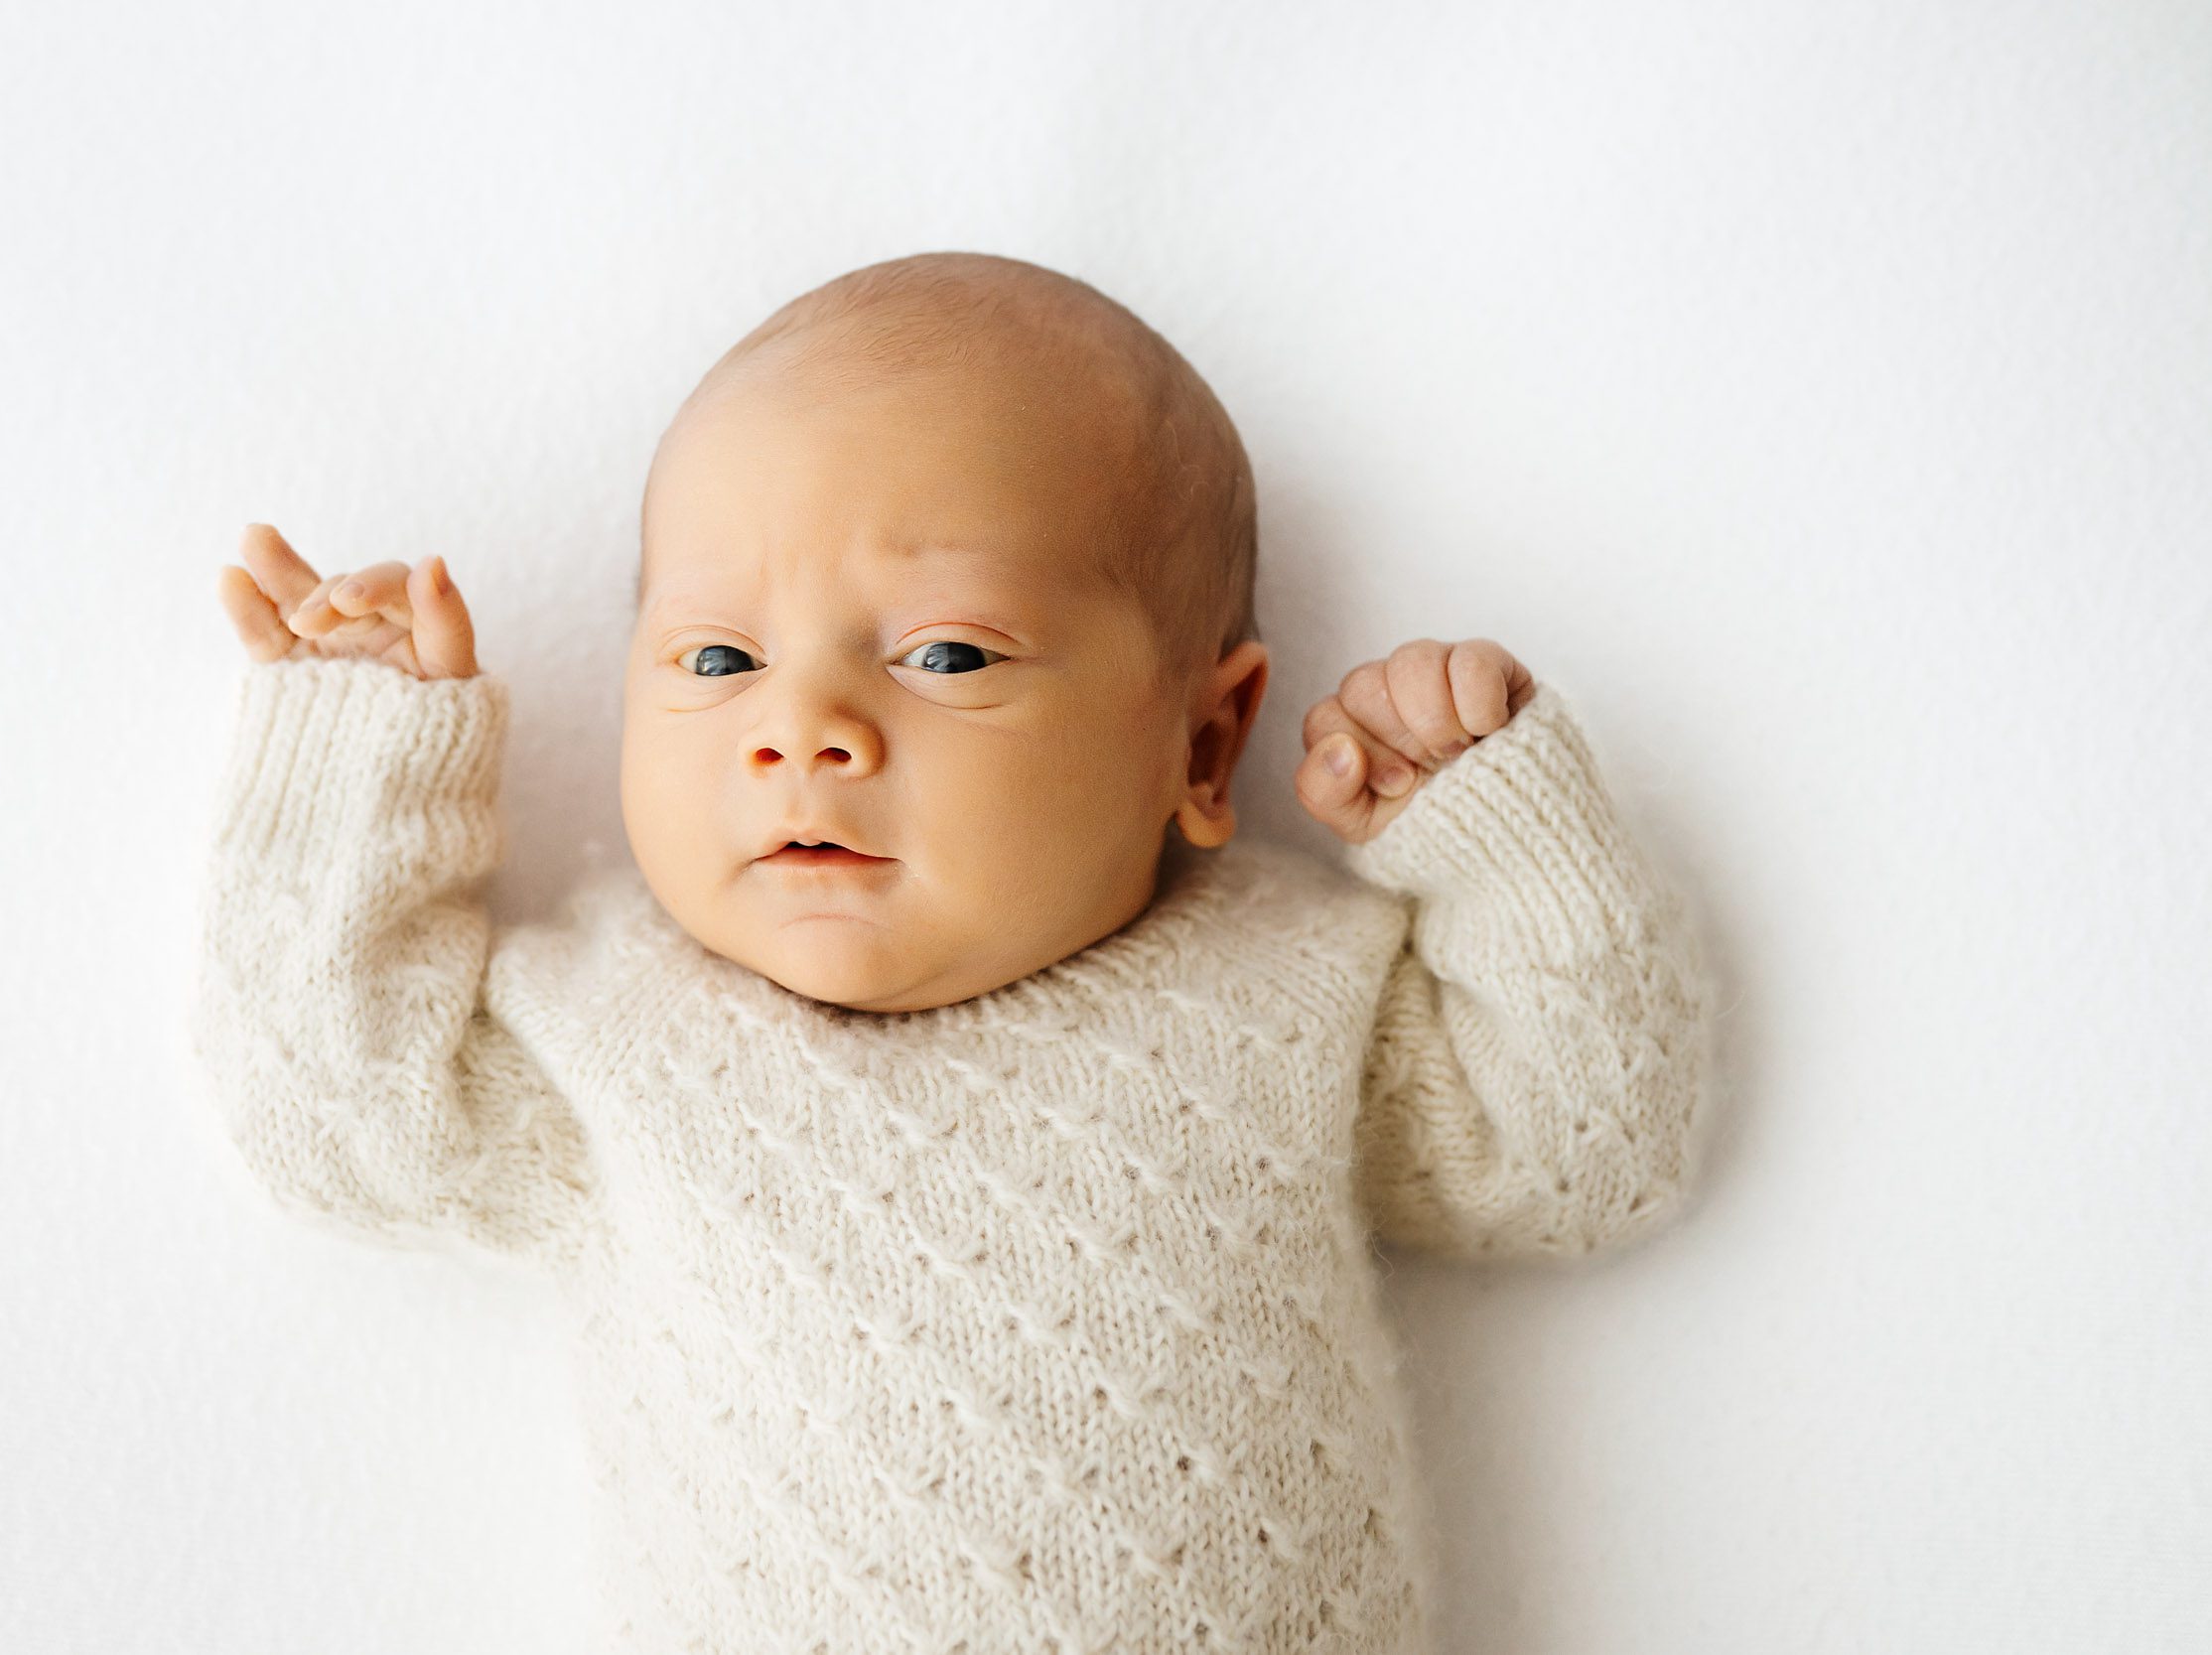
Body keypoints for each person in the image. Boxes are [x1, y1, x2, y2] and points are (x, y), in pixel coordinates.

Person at [195, 249, 1717, 1653]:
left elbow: (1580, 1149)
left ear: (1204, 741)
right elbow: (338, 1124)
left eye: (945, 654)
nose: (805, 732)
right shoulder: (612, 1036)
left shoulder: (1288, 991)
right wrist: (358, 753)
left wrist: (1497, 828)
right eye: (719, 660)